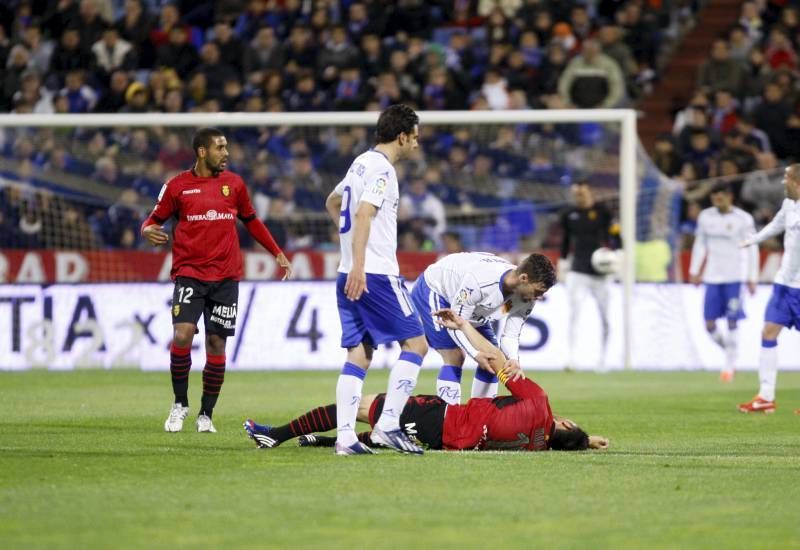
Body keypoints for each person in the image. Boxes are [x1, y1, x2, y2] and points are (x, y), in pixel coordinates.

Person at [243, 309, 609, 452]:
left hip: (443, 418)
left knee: (356, 406)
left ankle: (275, 435)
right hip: (443, 440)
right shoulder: (539, 447)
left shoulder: (539, 401)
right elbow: (554, 431)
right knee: (384, 432)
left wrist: (466, 327)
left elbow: (499, 361)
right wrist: (584, 442)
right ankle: (319, 441)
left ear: (567, 422)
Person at [141, 127, 292, 433]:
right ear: (202, 151)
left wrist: (276, 252)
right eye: (220, 148)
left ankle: (206, 414)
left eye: (226, 147)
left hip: (225, 277)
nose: (226, 153)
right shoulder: (176, 186)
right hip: (190, 274)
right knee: (182, 335)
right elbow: (152, 221)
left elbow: (251, 220)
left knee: (216, 343)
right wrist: (147, 231)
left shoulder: (234, 184)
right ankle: (179, 404)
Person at [323, 104, 429, 455]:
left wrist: (348, 253)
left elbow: (333, 201)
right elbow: (365, 213)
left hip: (348, 271)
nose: (415, 144)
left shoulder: (360, 163)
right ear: (401, 136)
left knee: (360, 353)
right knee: (416, 345)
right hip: (375, 274)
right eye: (414, 137)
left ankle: (346, 438)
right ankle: (387, 427)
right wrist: (360, 264)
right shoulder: (383, 169)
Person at [409, 252, 556, 405]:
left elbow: (511, 335)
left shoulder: (527, 298)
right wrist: (475, 353)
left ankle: (479, 418)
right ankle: (446, 420)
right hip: (436, 290)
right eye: (538, 291)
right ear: (523, 278)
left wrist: (513, 359)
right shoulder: (480, 282)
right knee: (455, 356)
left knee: (494, 360)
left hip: (470, 308)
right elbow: (456, 324)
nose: (539, 297)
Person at [738, 165, 800, 414]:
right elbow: (776, 225)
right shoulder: (789, 206)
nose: (782, 180)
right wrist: (752, 240)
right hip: (783, 285)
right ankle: (765, 396)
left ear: (796, 181)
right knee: (768, 332)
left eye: (786, 176)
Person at [689, 182, 758, 382]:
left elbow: (752, 248)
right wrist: (695, 270)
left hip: (735, 278)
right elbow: (700, 243)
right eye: (714, 197)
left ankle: (729, 366)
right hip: (712, 277)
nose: (717, 200)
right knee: (709, 324)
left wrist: (752, 277)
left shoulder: (743, 219)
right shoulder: (705, 217)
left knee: (732, 319)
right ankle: (730, 352)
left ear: (730, 197)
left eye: (721, 196)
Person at [559, 181, 619, 369]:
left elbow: (616, 236)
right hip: (578, 271)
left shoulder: (603, 213)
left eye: (582, 193)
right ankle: (570, 358)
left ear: (590, 192)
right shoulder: (569, 215)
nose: (579, 197)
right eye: (576, 194)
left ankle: (603, 360)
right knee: (574, 314)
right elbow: (566, 241)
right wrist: (562, 263)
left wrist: (618, 255)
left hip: (601, 272)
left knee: (605, 316)